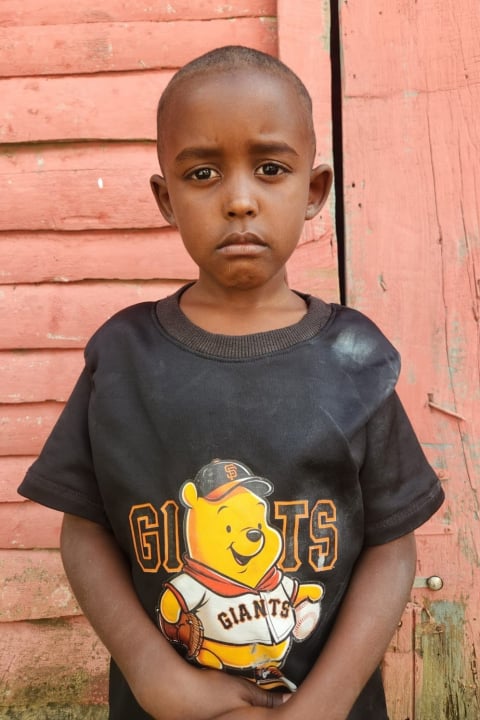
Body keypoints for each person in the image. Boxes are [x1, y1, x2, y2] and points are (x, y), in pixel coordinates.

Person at [18, 45, 445, 720]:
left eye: (271, 169)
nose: (240, 200)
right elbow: (84, 532)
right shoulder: (123, 357)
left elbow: (391, 550)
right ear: (167, 198)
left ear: (314, 191)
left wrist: (323, 705)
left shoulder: (356, 358)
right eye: (203, 173)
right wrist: (155, 676)